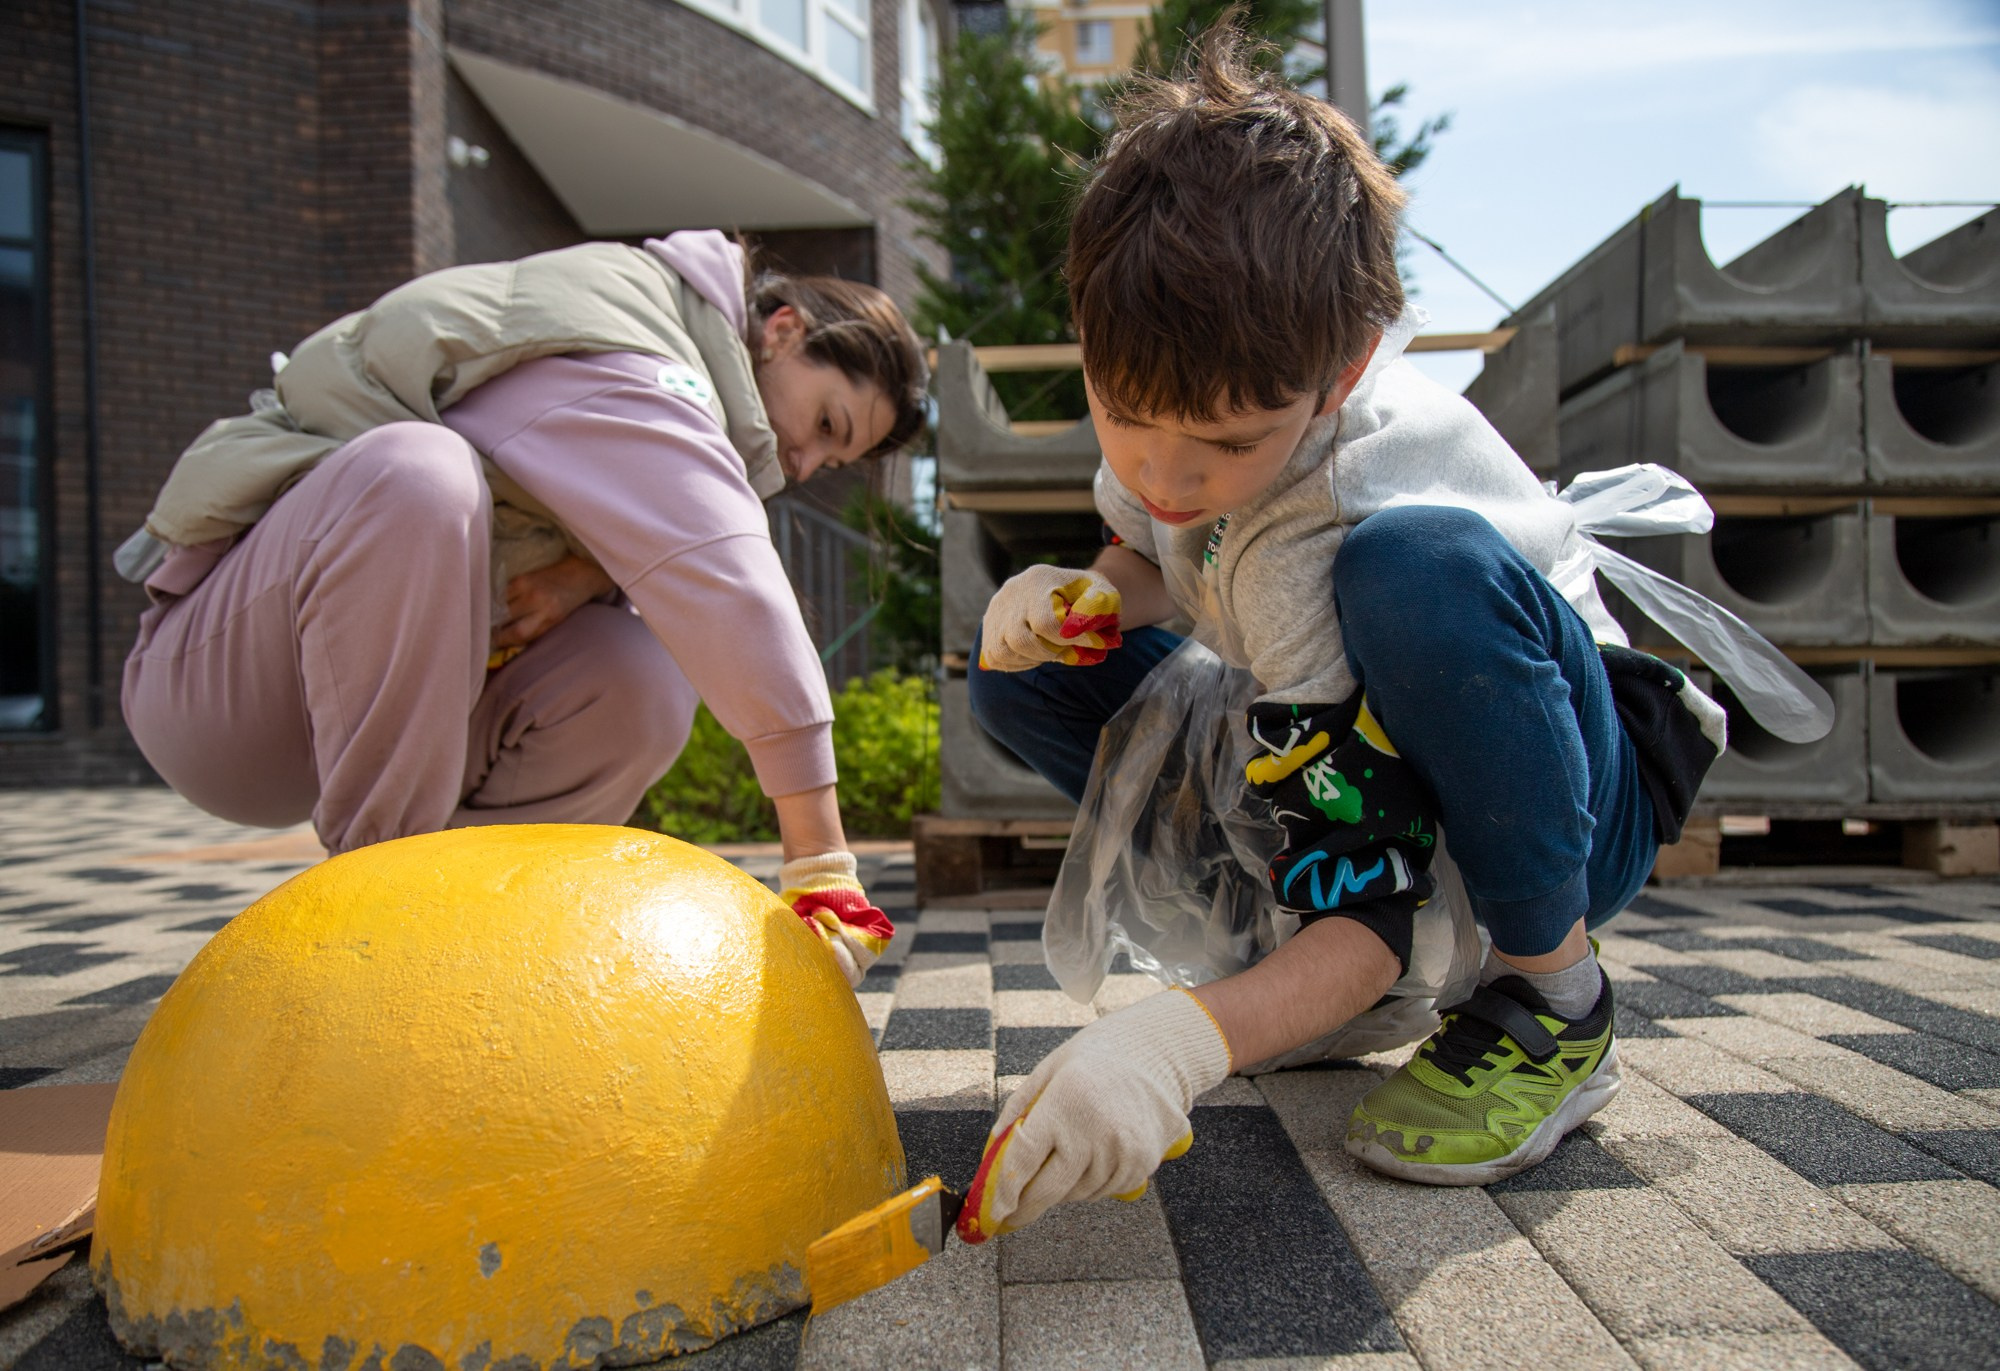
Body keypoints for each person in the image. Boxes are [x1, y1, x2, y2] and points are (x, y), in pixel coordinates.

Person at [957, 29, 1727, 1233]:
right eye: (1123, 414)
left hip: (1561, 793)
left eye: (1225, 444)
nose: (1162, 474)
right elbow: (1153, 549)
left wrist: (1178, 1047)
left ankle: (1551, 1000)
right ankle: (1303, 981)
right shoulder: (1183, 396)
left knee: (1411, 569)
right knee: (1025, 683)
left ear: (1345, 366)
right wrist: (1094, 590)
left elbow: (1365, 909)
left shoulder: (1331, 520)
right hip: (1350, 714)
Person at [117, 231, 926, 987]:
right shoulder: (628, 335)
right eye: (826, 422)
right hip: (222, 694)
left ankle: (475, 930)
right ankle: (377, 923)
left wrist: (583, 573)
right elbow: (720, 565)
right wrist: (820, 857)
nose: (806, 459)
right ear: (783, 330)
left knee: (639, 675)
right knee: (419, 475)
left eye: (832, 458)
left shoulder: (681, 401)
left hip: (404, 728)